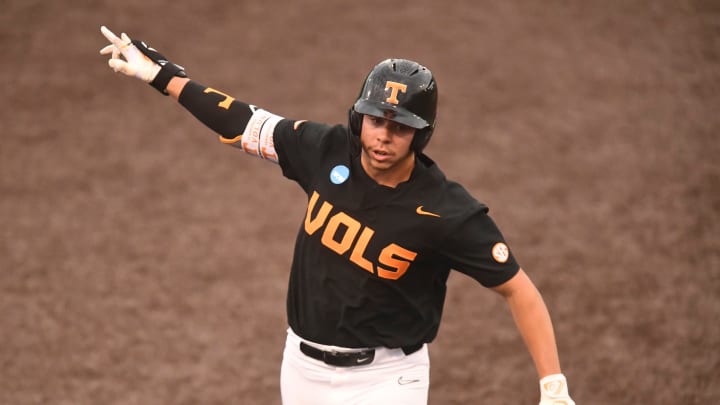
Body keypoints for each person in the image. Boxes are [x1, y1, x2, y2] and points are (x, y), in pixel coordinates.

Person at [99, 26, 576, 405]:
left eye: (399, 127)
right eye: (375, 120)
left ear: (421, 134)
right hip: (301, 368)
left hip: (388, 380)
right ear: (358, 117)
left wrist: (553, 387)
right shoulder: (326, 151)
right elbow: (242, 121)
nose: (383, 137)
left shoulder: (448, 211)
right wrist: (163, 77)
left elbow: (518, 288)